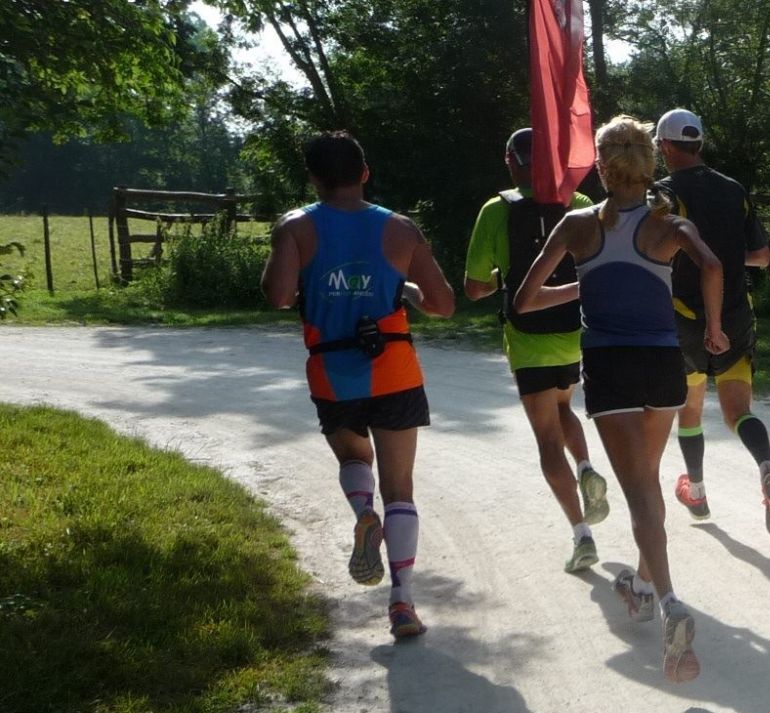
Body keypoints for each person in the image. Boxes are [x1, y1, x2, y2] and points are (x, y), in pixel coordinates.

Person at [514, 115, 727, 682]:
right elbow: (712, 266)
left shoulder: (576, 224)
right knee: (647, 482)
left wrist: (588, 283)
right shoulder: (669, 223)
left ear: (602, 168)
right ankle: (641, 585)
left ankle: (670, 604)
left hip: (611, 366)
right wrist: (713, 328)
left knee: (638, 493)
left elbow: (524, 300)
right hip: (663, 365)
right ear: (649, 164)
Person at [260, 131, 456, 640]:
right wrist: (404, 289)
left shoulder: (295, 227)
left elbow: (278, 296)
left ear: (313, 178)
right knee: (401, 487)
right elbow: (443, 304)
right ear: (364, 173)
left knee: (353, 458)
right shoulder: (401, 228)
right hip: (394, 368)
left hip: (333, 369)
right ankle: (402, 602)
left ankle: (363, 513)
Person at [463, 127, 611, 573]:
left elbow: (474, 288)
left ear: (511, 161)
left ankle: (581, 535)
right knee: (564, 406)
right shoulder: (580, 204)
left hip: (527, 339)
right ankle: (585, 467)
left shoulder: (496, 209)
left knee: (547, 438)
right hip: (572, 332)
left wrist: (504, 279)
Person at [650, 108, 770, 535]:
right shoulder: (734, 189)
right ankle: (767, 468)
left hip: (685, 318)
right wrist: (726, 255)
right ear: (700, 143)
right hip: (734, 317)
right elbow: (761, 257)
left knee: (690, 411)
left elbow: (653, 255)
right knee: (738, 412)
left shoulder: (662, 194)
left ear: (665, 146)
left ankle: (696, 491)